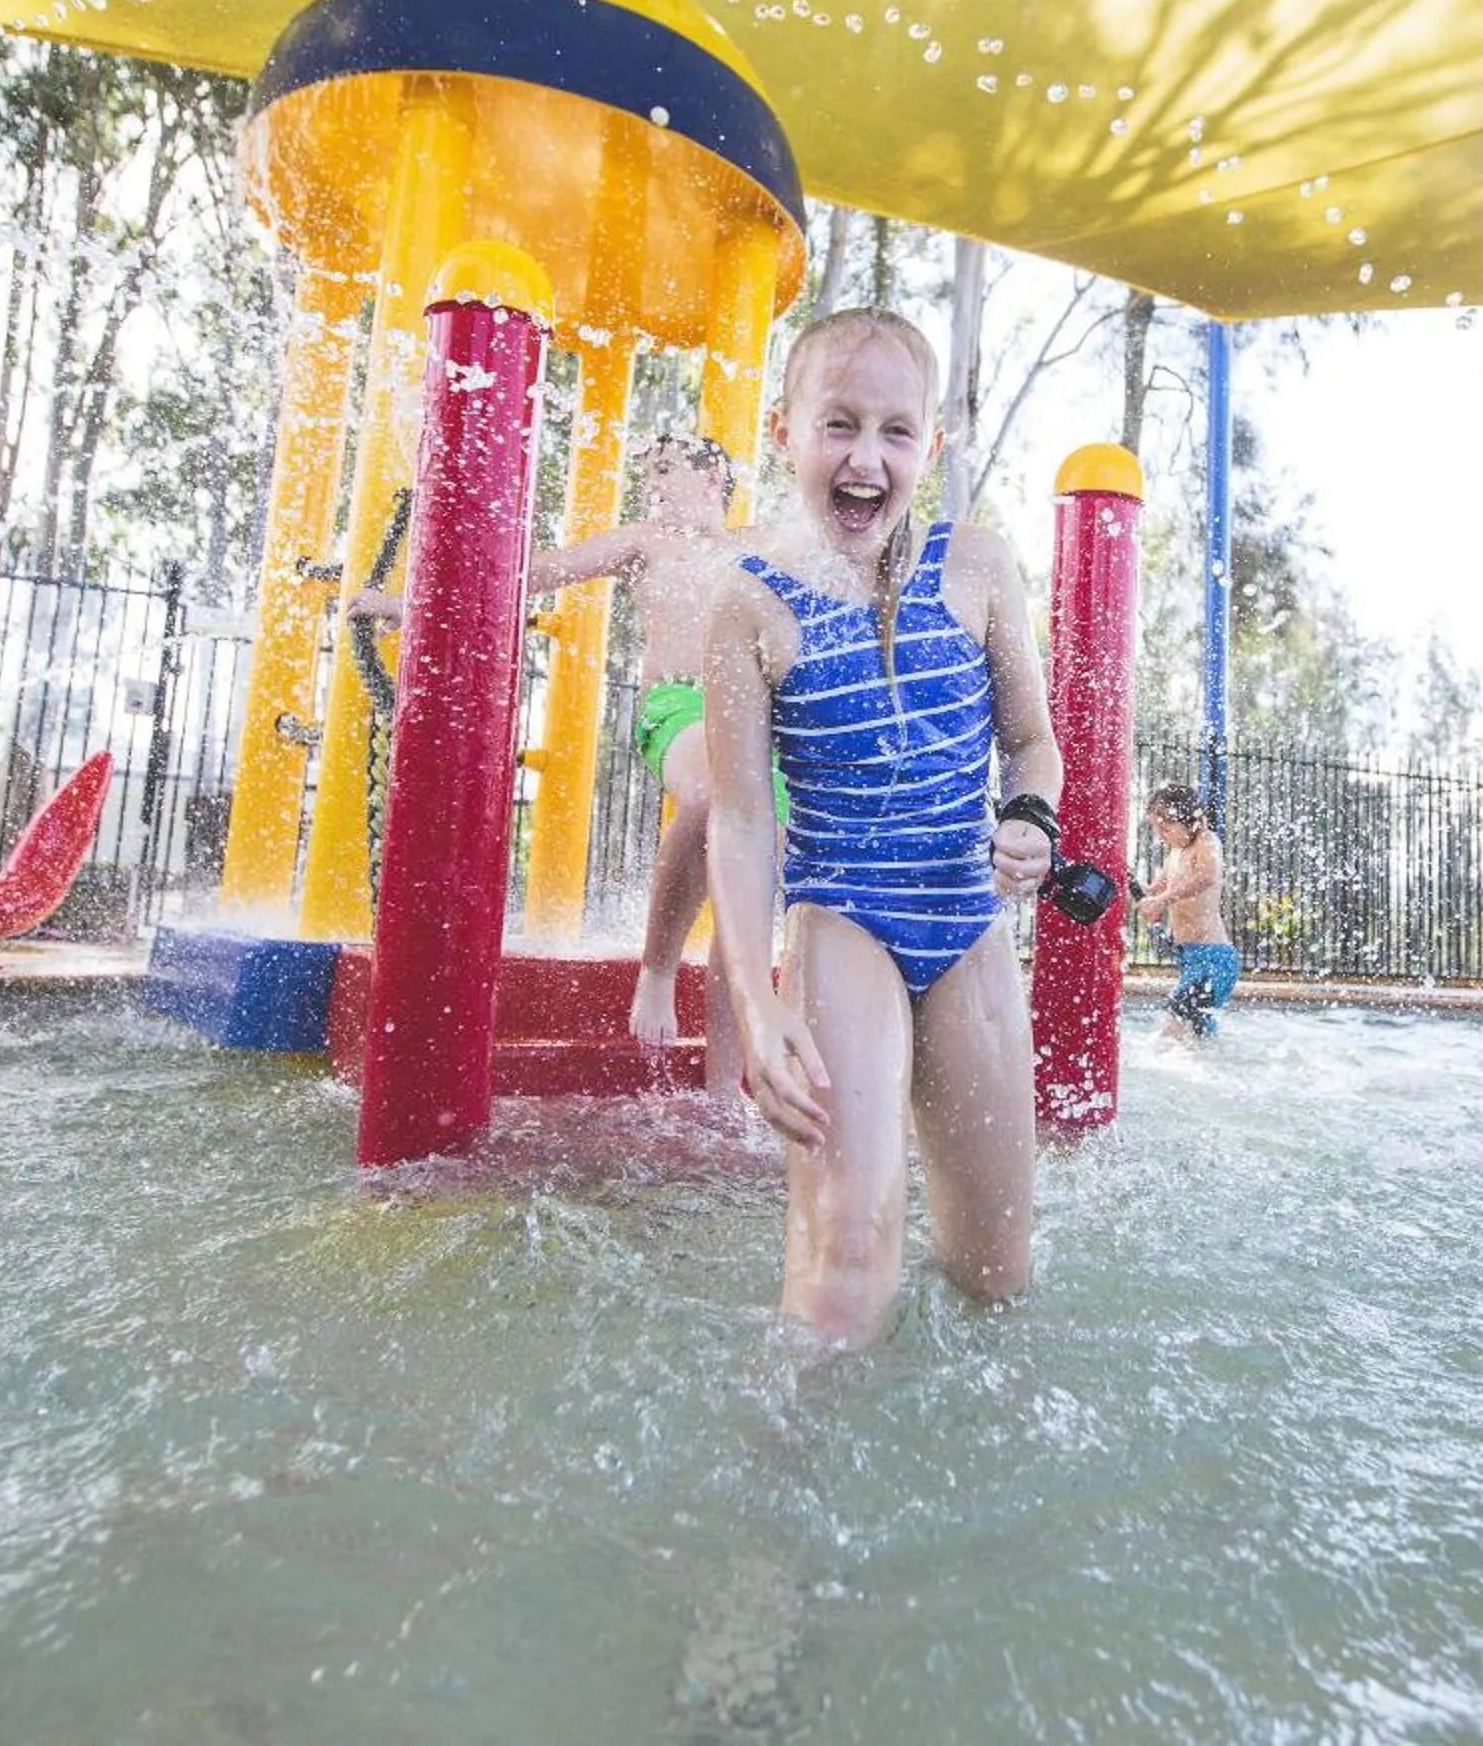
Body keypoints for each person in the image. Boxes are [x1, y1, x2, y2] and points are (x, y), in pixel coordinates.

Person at [697, 307, 1060, 1348]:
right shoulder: (750, 606)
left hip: (961, 919)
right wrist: (759, 1008)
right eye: (838, 425)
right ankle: (792, 1471)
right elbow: (740, 818)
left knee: (998, 1274)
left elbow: (1033, 742)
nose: (866, 458)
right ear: (785, 431)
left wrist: (1030, 816)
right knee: (846, 1263)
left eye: (896, 432)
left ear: (930, 449)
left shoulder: (979, 569)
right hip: (841, 916)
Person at [352, 430, 765, 1089]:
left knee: (750, 886)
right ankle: (657, 971)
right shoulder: (644, 541)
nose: (649, 486)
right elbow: (535, 573)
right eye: (645, 475)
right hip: (679, 707)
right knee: (711, 794)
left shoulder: (759, 546)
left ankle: (723, 1094)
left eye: (662, 470)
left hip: (750, 721)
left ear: (712, 477)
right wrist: (413, 603)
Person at [1137, 781, 1237, 1036]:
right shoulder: (1175, 852)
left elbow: (1208, 876)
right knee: (1196, 1034)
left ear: (1190, 820)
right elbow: (1153, 892)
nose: (1160, 835)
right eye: (1156, 828)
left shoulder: (1206, 841)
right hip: (1191, 957)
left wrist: (1163, 900)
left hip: (1214, 959)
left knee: (1172, 1028)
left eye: (1165, 828)